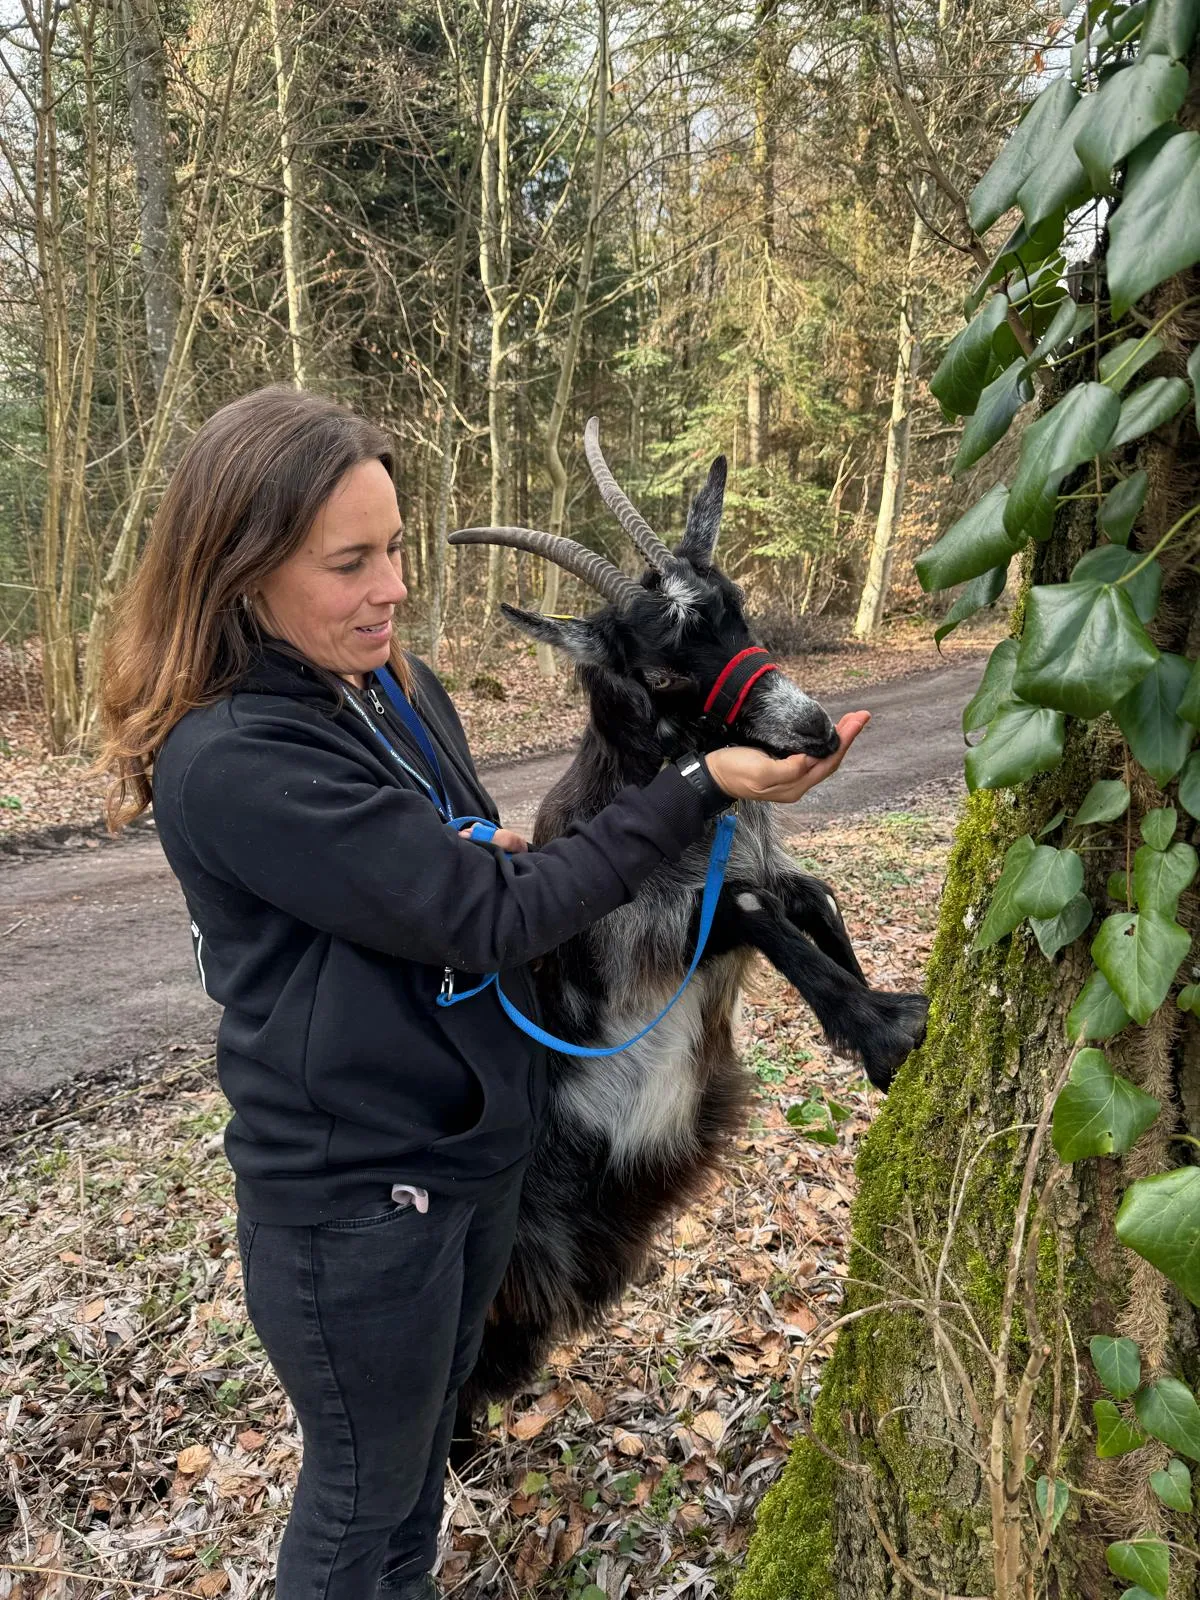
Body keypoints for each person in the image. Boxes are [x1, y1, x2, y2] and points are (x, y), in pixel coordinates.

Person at [98, 385, 870, 1600]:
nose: (392, 586)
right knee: (360, 1518)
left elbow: (451, 865)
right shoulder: (237, 758)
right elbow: (493, 920)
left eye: (394, 547)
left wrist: (482, 851)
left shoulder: (394, 690)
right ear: (244, 571)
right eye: (349, 561)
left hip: (464, 1171)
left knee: (415, 1494)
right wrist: (705, 784)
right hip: (357, 1213)